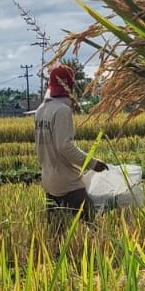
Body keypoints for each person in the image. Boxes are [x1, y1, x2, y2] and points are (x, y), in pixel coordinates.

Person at [35, 64, 107, 231]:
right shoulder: (62, 111)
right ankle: (98, 254)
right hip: (67, 181)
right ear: (70, 85)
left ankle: (54, 255)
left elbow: (40, 147)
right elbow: (65, 146)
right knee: (93, 225)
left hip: (48, 179)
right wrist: (92, 163)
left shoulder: (41, 110)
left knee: (56, 230)